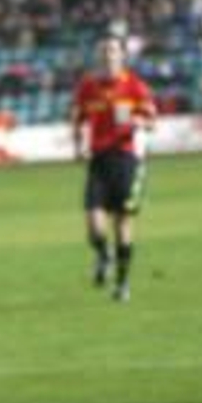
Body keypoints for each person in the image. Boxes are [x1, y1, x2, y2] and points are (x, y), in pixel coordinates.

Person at [69, 35, 156, 302]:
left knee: (122, 223)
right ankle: (103, 254)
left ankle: (122, 283)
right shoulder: (88, 86)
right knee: (94, 225)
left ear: (122, 55)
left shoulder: (134, 86)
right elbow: (78, 118)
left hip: (126, 160)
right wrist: (78, 146)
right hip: (98, 159)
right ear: (99, 55)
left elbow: (152, 120)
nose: (109, 54)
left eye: (113, 50)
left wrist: (139, 122)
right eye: (104, 50)